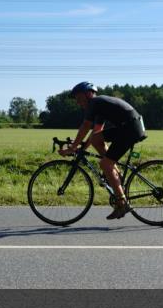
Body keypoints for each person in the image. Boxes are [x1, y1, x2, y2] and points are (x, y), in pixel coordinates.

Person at [60, 82, 147, 220]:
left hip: (130, 128)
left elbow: (85, 126)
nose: (77, 102)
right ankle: (114, 172)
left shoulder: (94, 103)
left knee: (105, 164)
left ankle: (122, 203)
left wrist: (72, 148)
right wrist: (81, 148)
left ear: (88, 94)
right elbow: (96, 132)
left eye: (79, 98)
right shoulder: (99, 105)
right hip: (130, 126)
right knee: (97, 141)